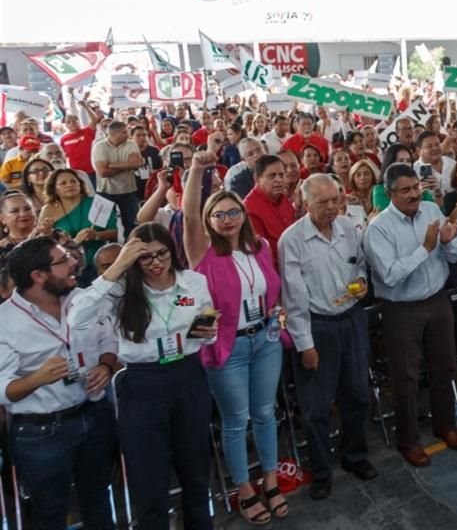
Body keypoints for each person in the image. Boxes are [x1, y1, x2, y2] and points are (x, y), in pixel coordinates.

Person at [69, 225, 218, 530]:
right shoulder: (123, 290)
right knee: (148, 473)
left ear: (171, 250)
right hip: (143, 382)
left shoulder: (192, 283)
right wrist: (119, 266)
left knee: (195, 465)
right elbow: (76, 319)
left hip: (188, 374)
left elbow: (204, 319)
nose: (155, 263)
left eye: (161, 253)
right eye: (145, 257)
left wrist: (209, 333)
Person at [182, 149, 288, 526]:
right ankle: (243, 488)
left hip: (266, 341)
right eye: (219, 214)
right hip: (230, 348)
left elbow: (269, 291)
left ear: (243, 214)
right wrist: (196, 169)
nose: (227, 219)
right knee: (235, 420)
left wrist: (276, 312)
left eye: (233, 212)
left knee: (265, 414)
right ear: (209, 221)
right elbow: (190, 213)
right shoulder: (204, 253)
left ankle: (271, 479)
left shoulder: (258, 247)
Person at [0, 237, 117, 530]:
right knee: (50, 511)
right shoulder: (5, 322)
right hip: (42, 431)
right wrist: (37, 378)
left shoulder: (80, 300)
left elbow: (108, 339)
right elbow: (4, 389)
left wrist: (105, 364)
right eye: (63, 261)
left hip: (93, 414)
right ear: (38, 276)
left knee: (100, 499)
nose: (74, 263)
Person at [279, 174, 378, 500]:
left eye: (336, 199)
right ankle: (321, 471)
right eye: (323, 202)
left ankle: (355, 457)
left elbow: (360, 264)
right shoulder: (291, 240)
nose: (332, 207)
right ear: (305, 204)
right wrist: (305, 345)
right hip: (317, 327)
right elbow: (293, 299)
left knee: (358, 395)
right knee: (316, 407)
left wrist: (362, 281)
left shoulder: (349, 228)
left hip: (351, 320)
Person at [363, 163, 457, 467]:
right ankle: (408, 441)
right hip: (401, 309)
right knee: (406, 377)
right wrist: (425, 248)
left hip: (437, 301)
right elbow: (391, 275)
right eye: (405, 190)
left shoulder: (432, 210)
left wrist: (447, 244)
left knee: (444, 366)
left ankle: (445, 425)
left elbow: (456, 252)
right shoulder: (378, 229)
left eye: (415, 188)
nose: (413, 195)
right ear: (389, 193)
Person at [39, 169, 118, 285]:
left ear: (80, 185)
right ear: (54, 188)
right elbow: (42, 243)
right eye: (63, 183)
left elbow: (115, 232)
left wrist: (95, 235)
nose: (69, 185)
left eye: (73, 181)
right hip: (67, 266)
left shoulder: (97, 204)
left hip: (97, 263)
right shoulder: (48, 210)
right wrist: (73, 242)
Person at [244, 154, 296, 265]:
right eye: (272, 176)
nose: (278, 180)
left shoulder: (283, 198)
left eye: (281, 175)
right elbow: (262, 255)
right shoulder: (249, 209)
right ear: (257, 179)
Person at [92, 121, 141, 238]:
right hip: (105, 192)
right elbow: (103, 172)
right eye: (124, 132)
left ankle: (131, 248)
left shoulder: (131, 144)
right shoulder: (99, 146)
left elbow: (135, 163)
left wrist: (112, 165)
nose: (127, 134)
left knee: (132, 224)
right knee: (102, 224)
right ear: (114, 134)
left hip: (128, 191)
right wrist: (127, 165)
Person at [371, 144, 434, 212]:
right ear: (390, 163)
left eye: (408, 161)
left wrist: (437, 193)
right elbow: (387, 216)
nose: (405, 164)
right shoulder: (379, 190)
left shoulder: (418, 186)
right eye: (401, 161)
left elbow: (435, 212)